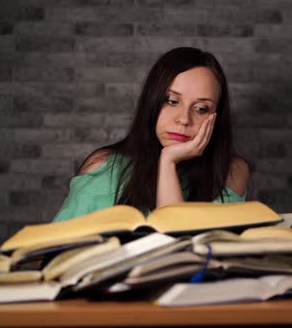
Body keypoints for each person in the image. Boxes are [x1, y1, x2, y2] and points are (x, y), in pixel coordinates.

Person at [53, 47, 250, 222]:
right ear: (152, 102)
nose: (184, 119)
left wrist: (168, 161)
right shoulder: (104, 168)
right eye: (172, 101)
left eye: (200, 108)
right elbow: (52, 253)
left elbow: (183, 252)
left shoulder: (231, 172)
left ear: (216, 116)